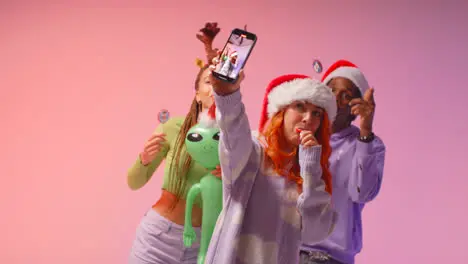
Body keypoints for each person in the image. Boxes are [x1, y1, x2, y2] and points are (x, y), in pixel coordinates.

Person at [203, 65, 339, 264]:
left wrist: (311, 172)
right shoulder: (253, 152)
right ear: (281, 111)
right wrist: (227, 95)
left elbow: (314, 234)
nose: (308, 118)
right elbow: (233, 130)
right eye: (300, 106)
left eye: (317, 113)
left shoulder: (311, 172)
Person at [127, 22, 222, 264]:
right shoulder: (175, 128)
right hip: (158, 237)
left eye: (220, 82)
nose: (215, 89)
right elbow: (134, 182)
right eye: (209, 82)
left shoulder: (235, 140)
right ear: (197, 93)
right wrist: (144, 160)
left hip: (201, 245)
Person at [299, 60, 386, 264]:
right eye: (330, 91)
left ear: (357, 106)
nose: (335, 100)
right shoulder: (301, 135)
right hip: (289, 251)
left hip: (332, 258)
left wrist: (365, 132)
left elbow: (362, 193)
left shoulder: (368, 145)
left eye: (346, 95)